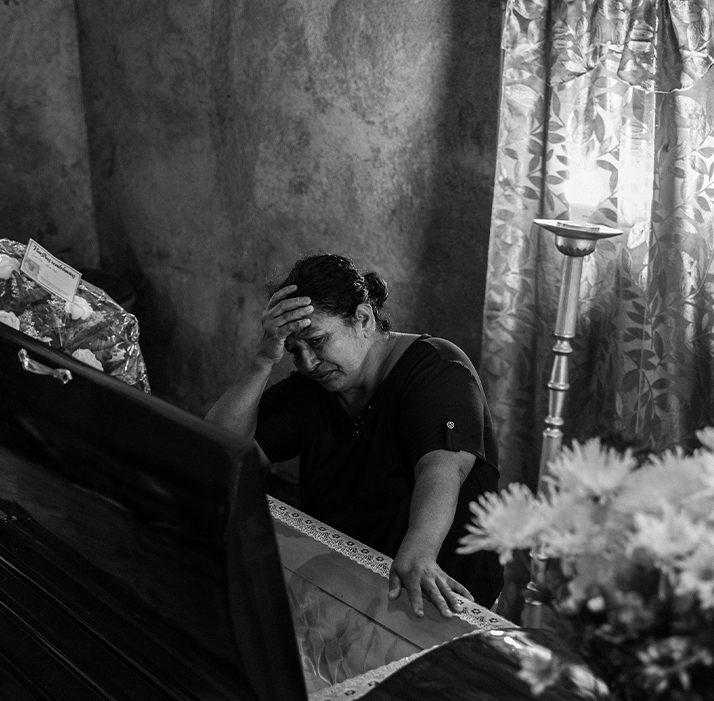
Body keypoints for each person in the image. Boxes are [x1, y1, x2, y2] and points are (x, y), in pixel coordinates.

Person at [207, 255, 502, 617]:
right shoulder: (314, 388)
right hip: (350, 590)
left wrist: (420, 549)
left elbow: (441, 468)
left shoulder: (437, 371)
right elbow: (219, 452)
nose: (308, 363)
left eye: (317, 341)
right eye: (293, 350)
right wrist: (264, 359)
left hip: (438, 595)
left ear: (363, 319)